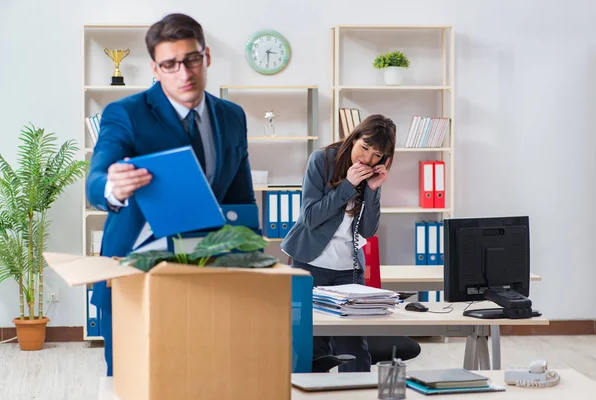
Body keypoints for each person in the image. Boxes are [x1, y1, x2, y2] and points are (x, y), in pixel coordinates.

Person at [86, 13, 256, 376]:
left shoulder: (232, 116)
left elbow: (241, 200)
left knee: (201, 381)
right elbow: (96, 180)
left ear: (206, 55)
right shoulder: (125, 113)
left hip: (208, 276)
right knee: (133, 382)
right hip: (135, 275)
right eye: (170, 64)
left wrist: (255, 263)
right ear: (155, 68)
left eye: (192, 59)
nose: (184, 73)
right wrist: (111, 187)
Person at [281, 114, 396, 372]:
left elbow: (367, 230)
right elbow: (310, 217)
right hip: (310, 264)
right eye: (364, 147)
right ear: (354, 137)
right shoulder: (322, 160)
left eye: (376, 154)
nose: (366, 158)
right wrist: (348, 185)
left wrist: (374, 190)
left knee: (355, 348)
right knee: (313, 346)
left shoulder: (371, 174)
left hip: (349, 269)